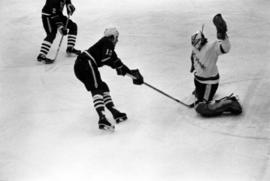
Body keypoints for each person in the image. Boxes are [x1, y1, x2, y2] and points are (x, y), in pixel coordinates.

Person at [74, 27, 144, 131]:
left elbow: (117, 63)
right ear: (112, 37)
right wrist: (117, 67)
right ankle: (102, 119)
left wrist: (132, 75)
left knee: (102, 86)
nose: (117, 40)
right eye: (116, 38)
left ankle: (114, 112)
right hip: (85, 63)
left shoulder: (108, 47)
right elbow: (106, 59)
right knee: (96, 88)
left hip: (83, 65)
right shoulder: (107, 41)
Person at [189, 14, 242, 117]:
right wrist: (192, 64)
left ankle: (229, 102)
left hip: (209, 82)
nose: (195, 47)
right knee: (198, 92)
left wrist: (223, 35)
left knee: (201, 108)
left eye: (197, 44)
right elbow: (193, 54)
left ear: (201, 41)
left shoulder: (211, 47)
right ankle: (200, 92)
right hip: (198, 80)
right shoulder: (195, 47)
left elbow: (226, 48)